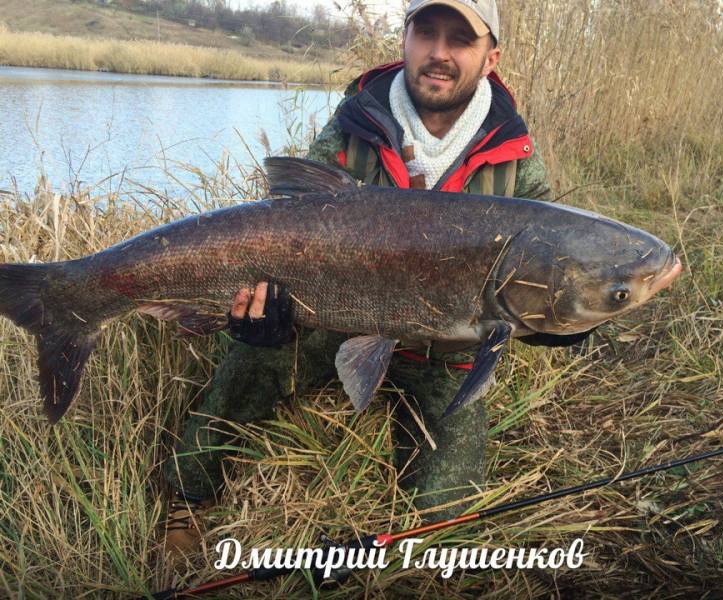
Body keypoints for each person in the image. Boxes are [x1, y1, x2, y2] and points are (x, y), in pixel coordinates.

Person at [163, 0, 555, 553]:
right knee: (253, 358)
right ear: (405, 40)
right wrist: (263, 316)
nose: (439, 54)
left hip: (444, 352)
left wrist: (568, 323)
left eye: (460, 40)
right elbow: (297, 212)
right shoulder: (356, 123)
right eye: (426, 34)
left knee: (445, 514)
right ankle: (188, 494)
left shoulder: (515, 154)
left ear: (491, 57)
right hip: (335, 323)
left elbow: (546, 276)